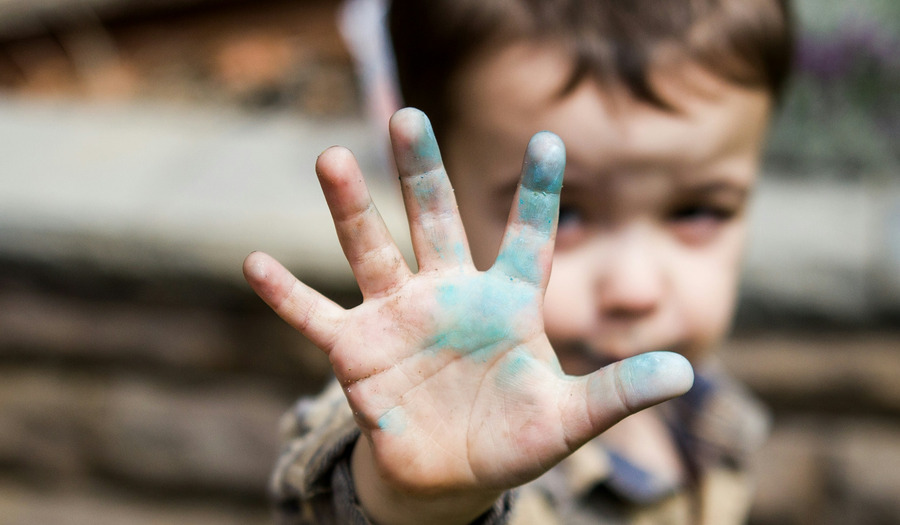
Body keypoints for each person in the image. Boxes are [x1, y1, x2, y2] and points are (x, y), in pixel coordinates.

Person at [243, 0, 794, 523]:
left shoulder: (704, 412)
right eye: (565, 215)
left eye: (697, 210)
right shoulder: (416, 403)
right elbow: (337, 492)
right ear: (438, 190)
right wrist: (420, 500)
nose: (635, 288)